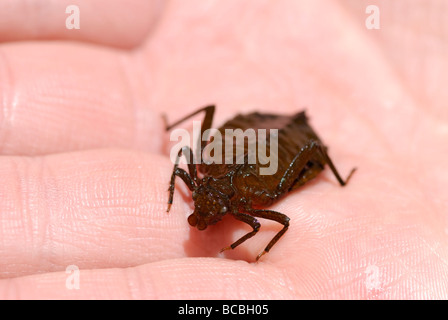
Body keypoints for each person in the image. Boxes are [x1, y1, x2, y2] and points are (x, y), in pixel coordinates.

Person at [0, 0, 447, 299]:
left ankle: (337, 174)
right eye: (203, 211)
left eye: (205, 212)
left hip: (284, 144)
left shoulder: (256, 201)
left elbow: (282, 221)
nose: (200, 219)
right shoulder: (209, 177)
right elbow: (178, 166)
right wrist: (176, 192)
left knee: (301, 151)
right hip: (252, 140)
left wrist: (257, 244)